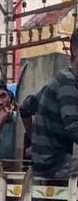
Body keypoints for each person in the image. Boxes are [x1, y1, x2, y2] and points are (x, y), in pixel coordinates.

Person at [32, 29, 78, 177]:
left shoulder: (63, 79)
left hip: (50, 159)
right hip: (53, 162)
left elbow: (26, 107)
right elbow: (73, 127)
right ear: (75, 50)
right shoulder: (67, 81)